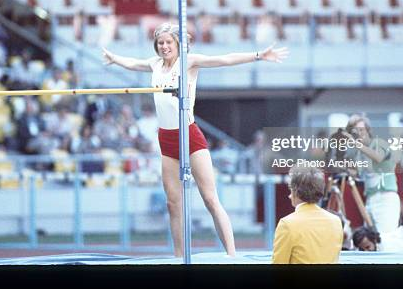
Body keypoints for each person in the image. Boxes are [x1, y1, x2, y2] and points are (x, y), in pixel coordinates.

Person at [103, 22, 288, 257]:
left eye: (169, 42)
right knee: (173, 203)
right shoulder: (154, 64)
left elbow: (224, 59)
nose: (164, 46)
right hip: (166, 139)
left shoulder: (188, 62)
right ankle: (179, 257)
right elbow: (132, 63)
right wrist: (114, 58)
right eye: (160, 43)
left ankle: (232, 255)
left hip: (189, 136)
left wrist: (259, 55)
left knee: (210, 199)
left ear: (178, 44)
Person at [272, 166, 344, 263]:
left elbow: (278, 266)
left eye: (290, 190)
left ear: (295, 192)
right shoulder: (336, 221)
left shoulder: (287, 224)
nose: (289, 196)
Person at [347, 114, 400, 234]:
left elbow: (378, 157)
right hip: (370, 199)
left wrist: (357, 145)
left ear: (368, 131)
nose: (358, 134)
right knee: (371, 240)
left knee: (386, 239)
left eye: (361, 130)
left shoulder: (378, 143)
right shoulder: (359, 154)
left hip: (385, 197)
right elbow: (359, 175)